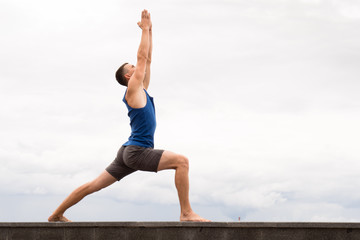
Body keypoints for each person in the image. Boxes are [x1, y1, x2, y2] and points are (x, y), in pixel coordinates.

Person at [48, 9, 210, 222]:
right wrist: (143, 29)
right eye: (133, 67)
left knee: (94, 185)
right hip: (137, 151)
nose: (137, 67)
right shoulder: (133, 89)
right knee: (182, 162)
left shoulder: (142, 89)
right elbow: (142, 58)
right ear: (128, 76)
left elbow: (147, 60)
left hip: (128, 150)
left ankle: (56, 215)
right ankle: (186, 213)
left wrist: (150, 31)